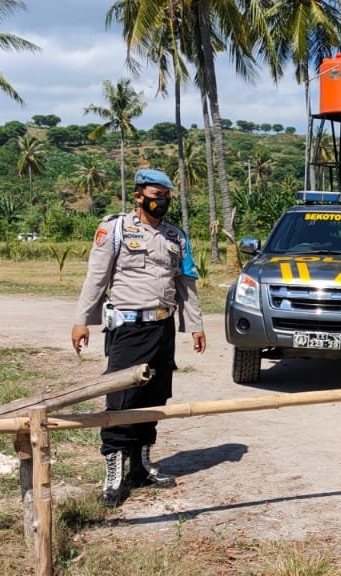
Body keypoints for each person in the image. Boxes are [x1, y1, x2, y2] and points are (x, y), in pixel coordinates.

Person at [70, 168, 207, 508]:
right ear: (138, 196)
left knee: (155, 398)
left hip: (162, 327)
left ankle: (142, 466)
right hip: (129, 327)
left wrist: (195, 325)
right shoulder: (115, 229)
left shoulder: (177, 237)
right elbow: (96, 278)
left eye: (166, 195)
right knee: (121, 400)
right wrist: (82, 321)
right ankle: (113, 476)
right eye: (155, 194)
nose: (161, 201)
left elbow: (185, 284)